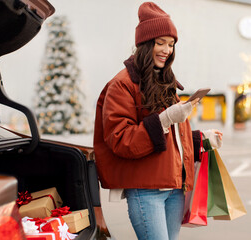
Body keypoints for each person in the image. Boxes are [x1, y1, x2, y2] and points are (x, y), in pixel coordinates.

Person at [93, 2, 223, 240]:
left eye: (171, 44)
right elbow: (121, 140)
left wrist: (200, 139)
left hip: (174, 188)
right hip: (146, 191)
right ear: (144, 44)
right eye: (160, 42)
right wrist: (164, 118)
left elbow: (172, 136)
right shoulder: (122, 84)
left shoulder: (165, 82)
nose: (167, 50)